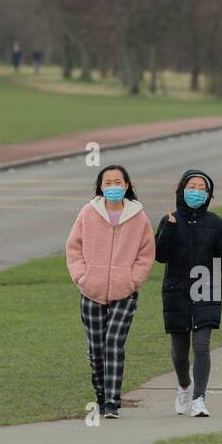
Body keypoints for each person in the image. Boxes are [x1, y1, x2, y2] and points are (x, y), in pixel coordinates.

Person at [66, 164, 155, 419]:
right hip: (91, 291)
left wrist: (132, 280)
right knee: (97, 350)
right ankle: (101, 396)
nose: (113, 187)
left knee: (114, 343)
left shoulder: (138, 217)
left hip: (124, 292)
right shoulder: (88, 213)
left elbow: (146, 254)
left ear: (126, 186)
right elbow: (74, 248)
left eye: (118, 182)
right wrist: (82, 277)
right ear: (100, 186)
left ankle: (113, 402)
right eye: (108, 183)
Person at [155, 169, 222, 418]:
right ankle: (184, 386)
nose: (197, 192)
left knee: (201, 345)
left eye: (202, 189)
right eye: (192, 187)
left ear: (209, 195)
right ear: (181, 190)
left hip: (206, 288)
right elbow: (160, 256)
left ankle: (199, 399)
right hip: (176, 291)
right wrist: (169, 229)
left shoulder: (215, 223)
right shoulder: (168, 220)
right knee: (180, 353)